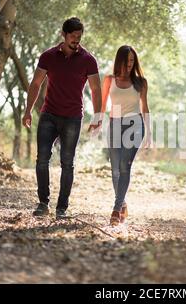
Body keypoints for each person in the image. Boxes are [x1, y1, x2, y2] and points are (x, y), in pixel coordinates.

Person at [22, 17, 102, 219]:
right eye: (73, 36)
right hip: (49, 114)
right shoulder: (48, 56)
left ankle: (62, 208)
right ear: (63, 35)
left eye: (79, 36)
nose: (77, 40)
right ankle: (43, 203)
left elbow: (95, 88)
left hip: (73, 117)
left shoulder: (88, 60)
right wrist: (28, 110)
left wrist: (98, 115)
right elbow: (36, 84)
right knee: (42, 159)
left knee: (67, 162)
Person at [101, 45, 151, 226]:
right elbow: (102, 103)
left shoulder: (141, 82)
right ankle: (123, 203)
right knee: (115, 170)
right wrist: (98, 121)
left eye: (132, 60)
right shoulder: (109, 80)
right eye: (126, 60)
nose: (129, 64)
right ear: (119, 60)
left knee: (124, 166)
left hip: (135, 125)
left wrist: (149, 133)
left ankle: (115, 209)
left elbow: (145, 108)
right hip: (114, 125)